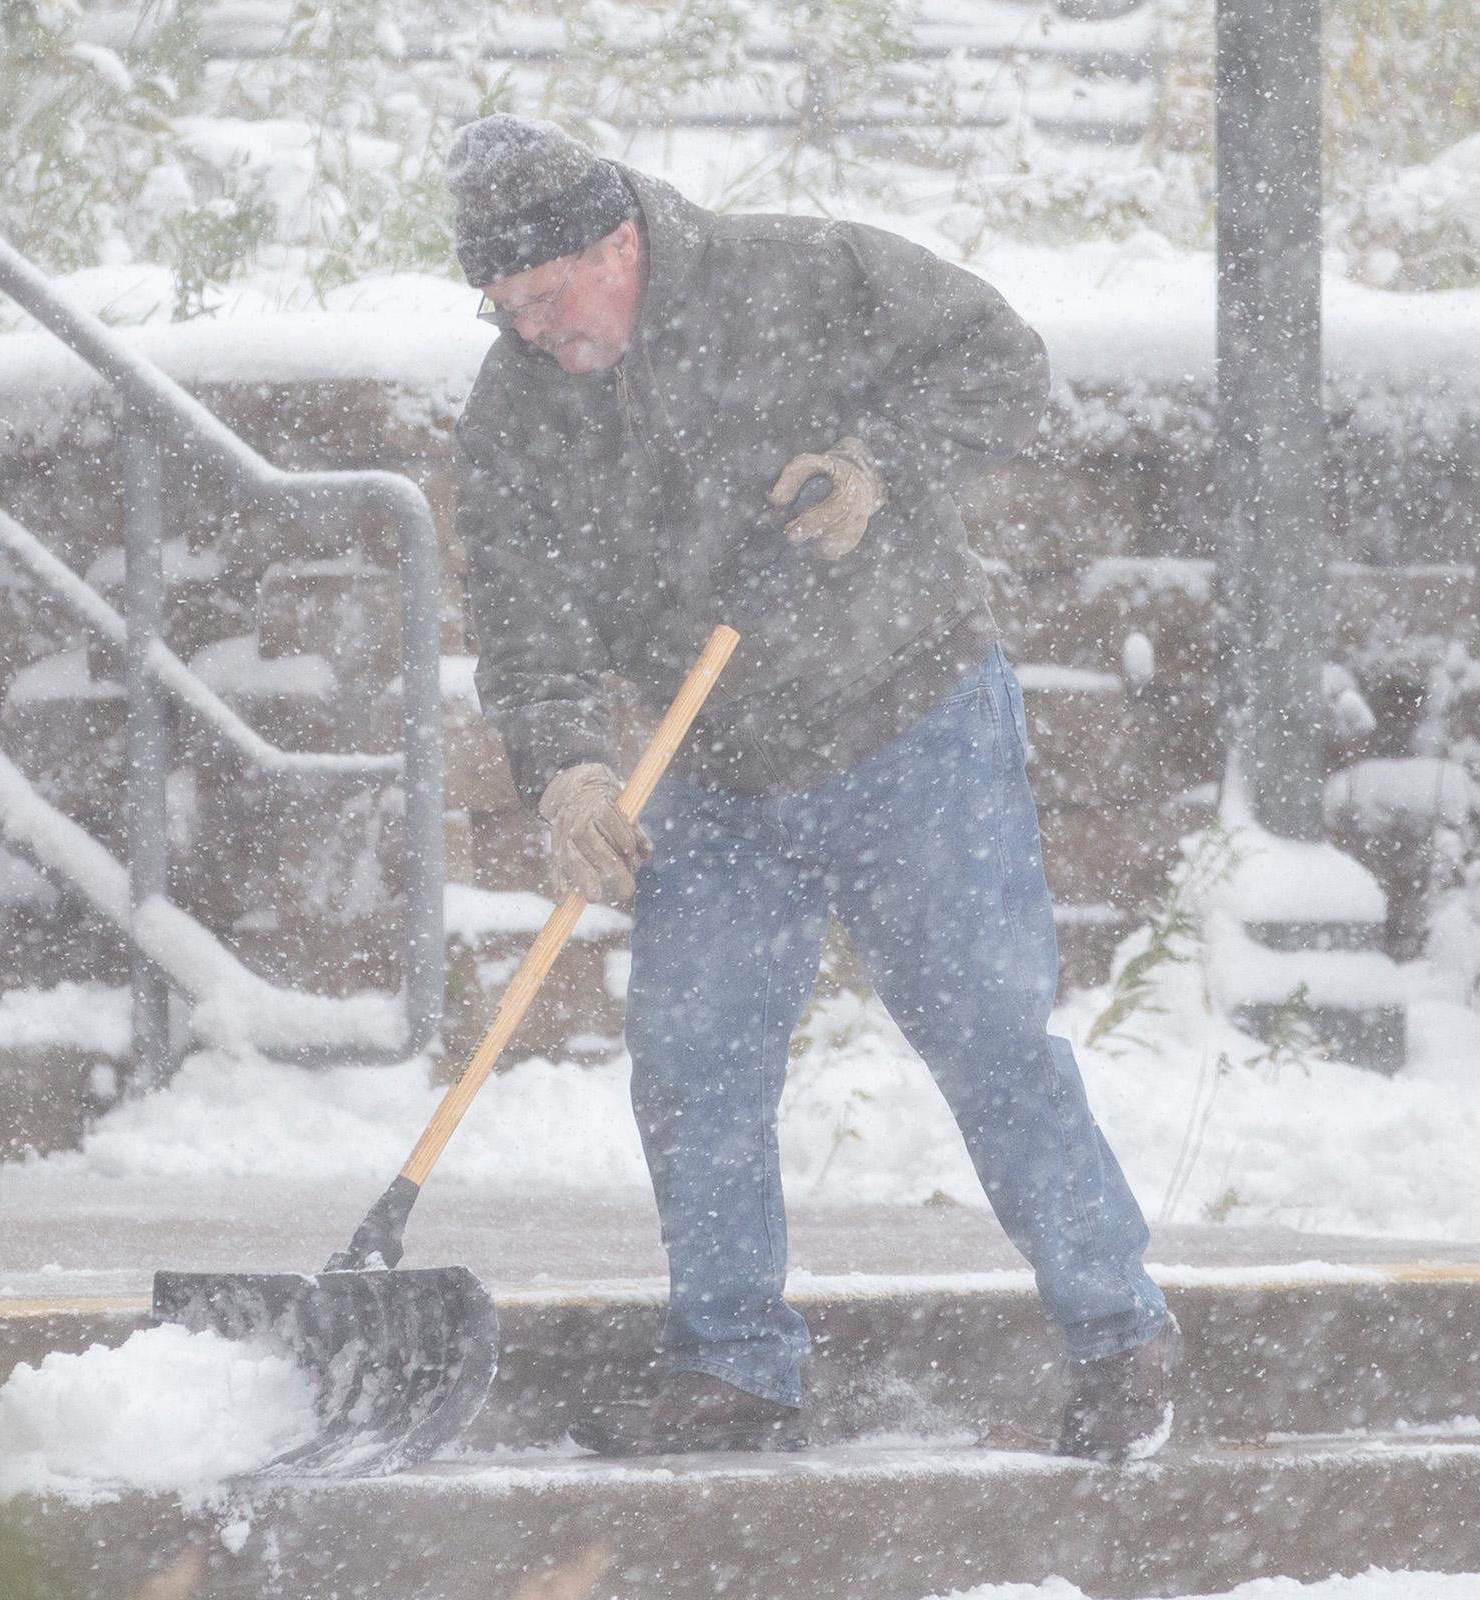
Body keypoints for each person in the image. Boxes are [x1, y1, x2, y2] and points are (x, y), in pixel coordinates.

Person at [443, 114, 1186, 1462]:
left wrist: (878, 467)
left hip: (910, 724)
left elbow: (1001, 361)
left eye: (547, 299)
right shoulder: (519, 409)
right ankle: (734, 1367)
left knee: (989, 1043)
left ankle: (1117, 1335)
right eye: (503, 310)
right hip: (713, 770)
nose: (534, 331)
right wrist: (565, 770)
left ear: (617, 244)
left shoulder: (795, 276)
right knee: (693, 1062)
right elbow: (524, 608)